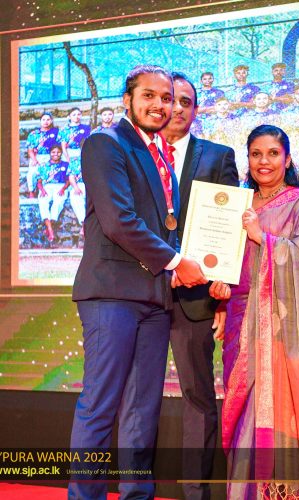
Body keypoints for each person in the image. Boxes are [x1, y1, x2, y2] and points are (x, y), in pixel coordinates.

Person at [68, 64, 218, 500]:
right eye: (149, 96)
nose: (160, 105)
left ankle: (137, 495)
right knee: (100, 406)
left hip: (154, 298)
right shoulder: (105, 143)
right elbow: (118, 220)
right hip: (111, 295)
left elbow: (167, 225)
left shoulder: (161, 156)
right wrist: (177, 261)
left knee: (142, 411)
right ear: (128, 100)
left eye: (167, 98)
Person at [220, 125, 299, 499]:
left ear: (287, 160)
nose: (264, 161)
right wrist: (218, 290)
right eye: (256, 154)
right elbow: (227, 262)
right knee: (243, 419)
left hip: (280, 332)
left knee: (275, 412)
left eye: (273, 153)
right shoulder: (238, 204)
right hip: (241, 324)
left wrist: (263, 237)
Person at [161, 72, 239, 500]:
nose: (177, 108)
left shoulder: (218, 156)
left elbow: (229, 229)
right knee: (135, 394)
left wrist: (223, 290)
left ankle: (195, 493)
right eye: (171, 99)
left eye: (186, 102)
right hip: (142, 294)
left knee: (197, 396)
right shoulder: (134, 155)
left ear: (196, 109)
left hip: (195, 298)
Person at [35, 144, 69, 244]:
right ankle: (50, 229)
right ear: (50, 153)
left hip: (61, 186)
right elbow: (39, 181)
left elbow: (68, 180)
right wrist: (42, 190)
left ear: (61, 153)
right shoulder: (44, 166)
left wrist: (63, 189)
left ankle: (49, 228)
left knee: (58, 203)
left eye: (58, 152)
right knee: (43, 201)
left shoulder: (66, 165)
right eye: (53, 152)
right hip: (47, 186)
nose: (56, 154)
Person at [26, 112, 59, 197]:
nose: (46, 122)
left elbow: (59, 147)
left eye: (48, 119)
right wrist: (34, 160)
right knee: (31, 174)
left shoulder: (56, 132)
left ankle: (45, 191)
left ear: (51, 121)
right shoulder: (34, 134)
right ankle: (31, 192)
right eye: (43, 119)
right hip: (37, 156)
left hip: (50, 156)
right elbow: (30, 150)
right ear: (40, 121)